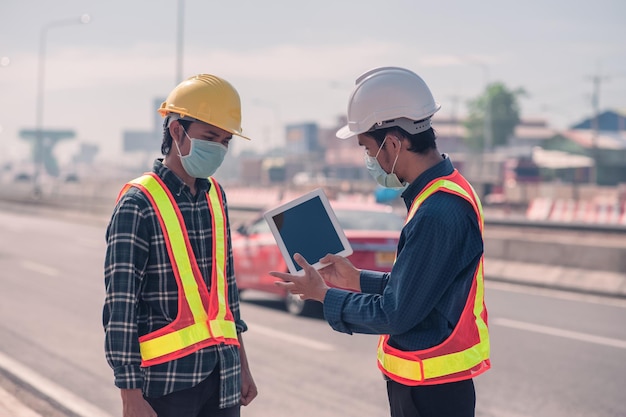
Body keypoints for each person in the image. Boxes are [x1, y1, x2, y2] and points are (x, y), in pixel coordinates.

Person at [271, 67, 490, 417]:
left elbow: (396, 312)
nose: (369, 160)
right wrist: (357, 279)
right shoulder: (443, 191)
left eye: (367, 148)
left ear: (392, 144)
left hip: (431, 392)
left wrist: (323, 295)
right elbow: (418, 288)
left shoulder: (437, 210)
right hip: (431, 386)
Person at [103, 73, 257, 417]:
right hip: (168, 385)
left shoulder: (216, 197)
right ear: (176, 131)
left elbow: (227, 296)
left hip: (223, 379)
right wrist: (130, 395)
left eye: (226, 140)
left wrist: (243, 365)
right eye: (210, 136)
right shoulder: (138, 203)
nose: (218, 148)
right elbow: (121, 307)